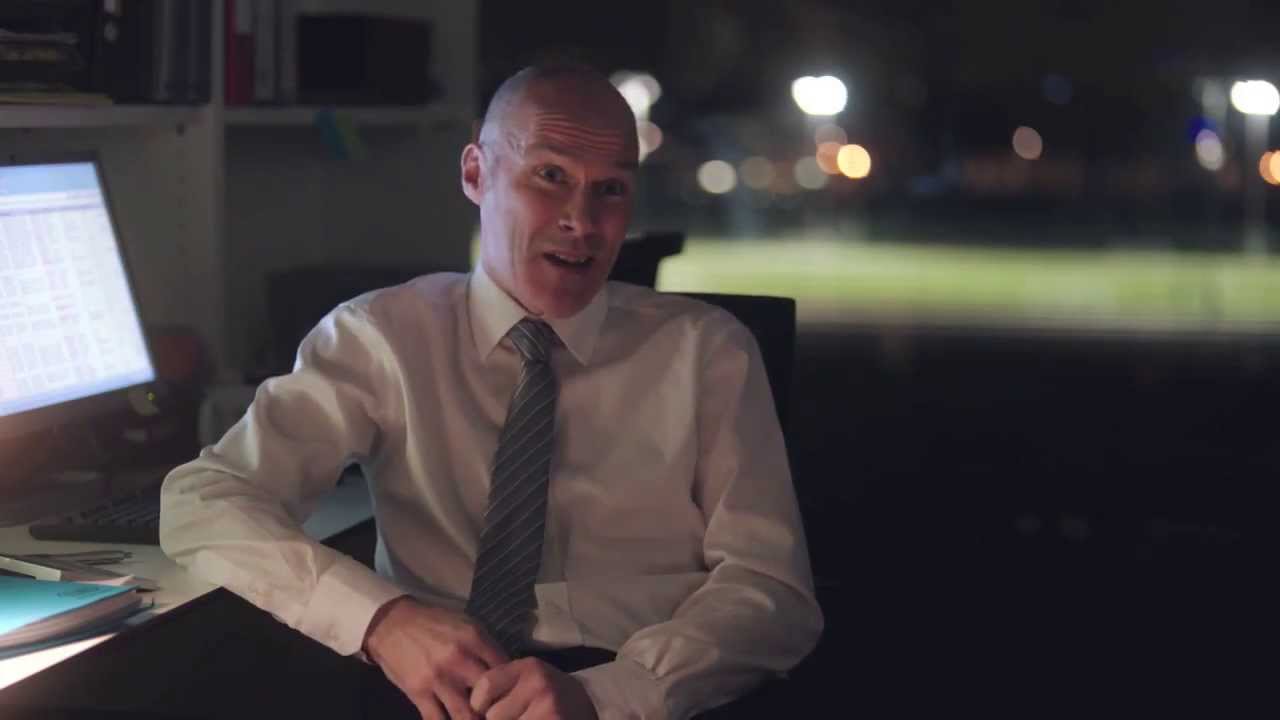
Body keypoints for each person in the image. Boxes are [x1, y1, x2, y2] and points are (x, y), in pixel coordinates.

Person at [159, 63, 822, 720]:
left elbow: (772, 592)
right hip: (439, 688)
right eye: (551, 176)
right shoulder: (381, 338)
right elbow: (203, 502)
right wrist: (380, 620)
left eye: (611, 189)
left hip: (643, 688)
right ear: (476, 174)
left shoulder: (708, 352)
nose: (583, 221)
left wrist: (609, 694)